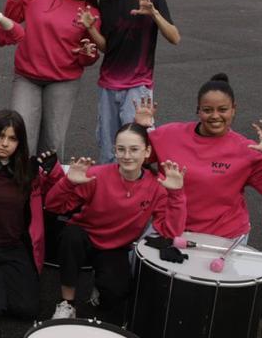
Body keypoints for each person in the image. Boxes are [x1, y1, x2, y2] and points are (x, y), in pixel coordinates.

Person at [45, 123, 187, 322]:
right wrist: (68, 182)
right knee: (71, 236)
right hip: (85, 236)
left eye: (134, 149)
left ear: (147, 152)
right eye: (121, 149)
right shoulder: (97, 175)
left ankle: (99, 283)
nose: (127, 156)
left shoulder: (157, 185)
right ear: (115, 151)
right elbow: (53, 206)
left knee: (116, 294)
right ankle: (67, 302)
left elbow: (170, 232)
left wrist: (176, 195)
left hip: (115, 247)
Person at [134, 74, 262, 240]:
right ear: (198, 110)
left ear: (233, 109)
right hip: (169, 228)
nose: (215, 116)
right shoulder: (167, 135)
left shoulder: (248, 151)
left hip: (223, 237)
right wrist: (139, 128)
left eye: (222, 109)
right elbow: (132, 162)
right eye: (207, 110)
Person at [0, 110, 63, 321]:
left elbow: (58, 199)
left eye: (12, 138)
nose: (5, 143)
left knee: (27, 310)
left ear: (20, 142)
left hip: (12, 246)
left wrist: (55, 172)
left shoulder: (29, 170)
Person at [4, 0, 102, 156]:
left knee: (52, 142)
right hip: (27, 76)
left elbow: (88, 57)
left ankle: (49, 176)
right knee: (21, 136)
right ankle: (23, 176)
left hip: (63, 80)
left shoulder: (91, 13)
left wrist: (87, 54)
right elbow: (13, 18)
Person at [94, 0, 181, 163]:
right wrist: (89, 29)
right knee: (109, 146)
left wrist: (153, 14)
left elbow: (174, 38)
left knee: (137, 144)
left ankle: (142, 182)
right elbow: (106, 47)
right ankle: (109, 181)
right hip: (108, 84)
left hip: (138, 84)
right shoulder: (105, 2)